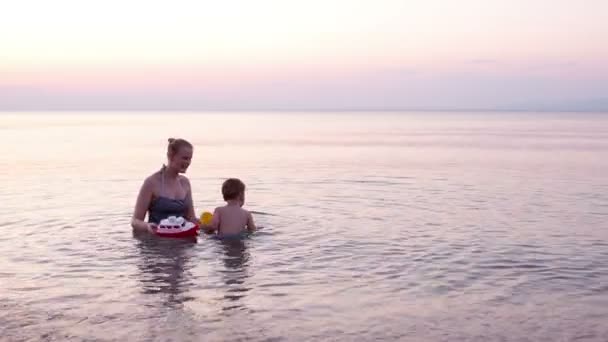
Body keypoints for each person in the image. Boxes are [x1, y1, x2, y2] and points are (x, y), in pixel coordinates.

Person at [131, 138, 196, 233]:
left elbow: (191, 219)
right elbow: (135, 221)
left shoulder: (185, 183)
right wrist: (148, 227)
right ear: (171, 156)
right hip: (157, 242)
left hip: (183, 243)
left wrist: (208, 225)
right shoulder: (151, 182)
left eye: (190, 159)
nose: (188, 162)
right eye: (185, 158)